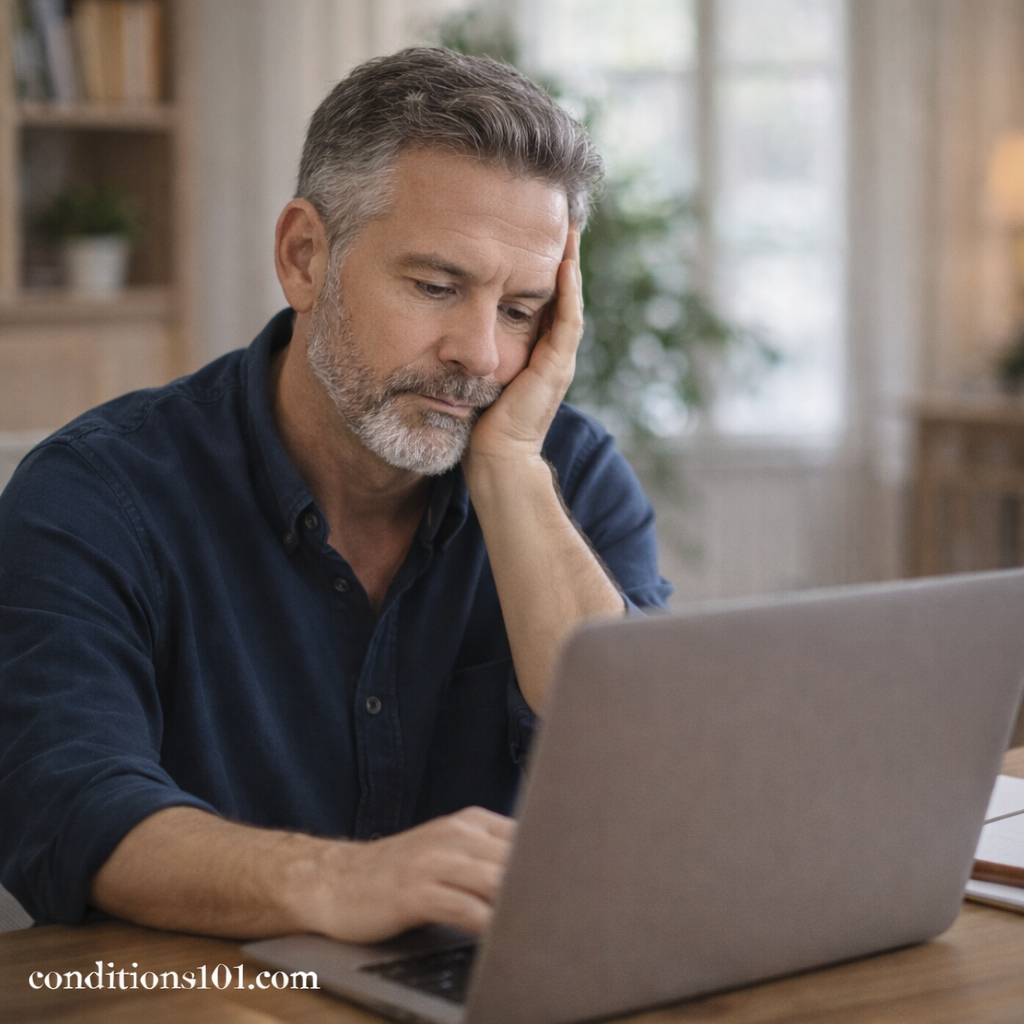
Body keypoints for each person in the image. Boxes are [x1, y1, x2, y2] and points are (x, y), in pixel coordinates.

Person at [0, 48, 672, 941]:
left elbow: (648, 774)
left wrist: (510, 469)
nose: (481, 354)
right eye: (437, 287)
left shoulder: (568, 476)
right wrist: (336, 880)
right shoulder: (94, 497)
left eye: (520, 310)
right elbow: (68, 810)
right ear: (305, 256)